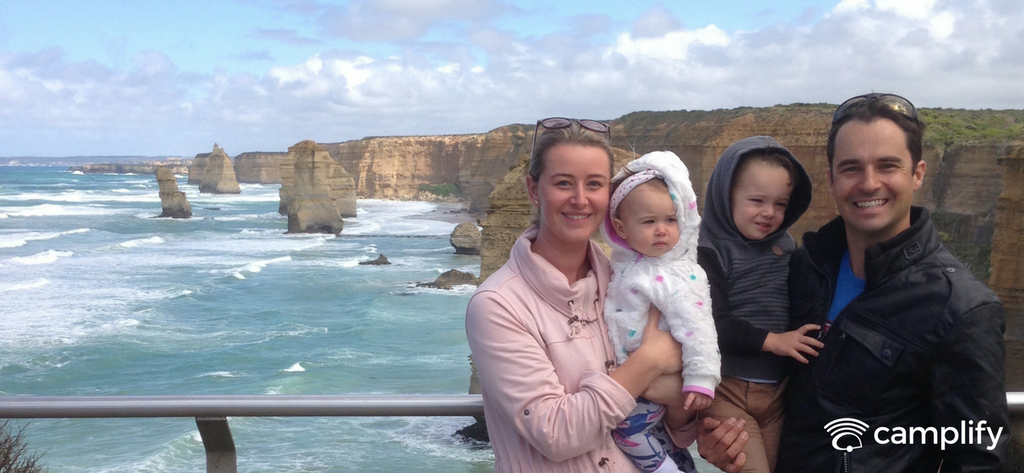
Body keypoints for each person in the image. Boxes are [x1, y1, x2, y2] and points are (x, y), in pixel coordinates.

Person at [465, 117, 748, 472]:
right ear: (534, 189)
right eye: (563, 183)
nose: (580, 199)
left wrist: (698, 426)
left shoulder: (628, 281)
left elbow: (673, 426)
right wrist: (650, 361)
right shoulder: (498, 305)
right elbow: (554, 433)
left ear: (609, 197)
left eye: (594, 184)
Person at [773, 93, 1010, 472]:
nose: (869, 184)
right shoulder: (802, 269)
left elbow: (979, 460)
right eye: (851, 168)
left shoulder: (960, 308)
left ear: (917, 174)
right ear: (831, 180)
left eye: (887, 166)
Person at [697, 136, 821, 473]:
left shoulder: (784, 245)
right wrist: (775, 341)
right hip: (728, 389)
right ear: (726, 196)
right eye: (756, 200)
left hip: (777, 394)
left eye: (780, 204)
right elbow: (709, 323)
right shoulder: (709, 250)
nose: (769, 213)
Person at [601, 151, 720, 473]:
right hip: (638, 375)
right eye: (649, 221)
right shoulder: (624, 265)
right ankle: (682, 466)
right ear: (621, 229)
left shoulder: (680, 274)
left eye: (670, 220)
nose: (662, 230)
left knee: (627, 430)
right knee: (658, 436)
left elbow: (699, 328)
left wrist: (701, 378)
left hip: (658, 379)